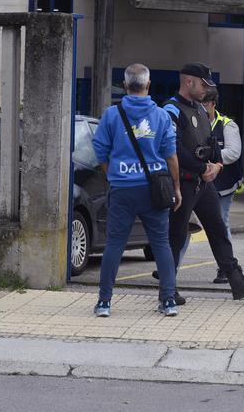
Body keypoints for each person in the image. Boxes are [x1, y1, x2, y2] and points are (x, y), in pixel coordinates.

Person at [162, 62, 244, 305]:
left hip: (203, 183)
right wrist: (202, 168)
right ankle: (167, 288)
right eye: (203, 84)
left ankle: (236, 280)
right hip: (184, 183)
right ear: (188, 82)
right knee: (176, 236)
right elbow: (174, 149)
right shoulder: (170, 110)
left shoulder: (199, 109)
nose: (206, 90)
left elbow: (211, 143)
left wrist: (217, 165)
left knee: (218, 231)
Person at [92, 63, 182, 317]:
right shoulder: (162, 116)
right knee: (161, 244)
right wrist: (176, 187)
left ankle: (104, 302)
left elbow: (99, 148)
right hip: (154, 188)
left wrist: (112, 174)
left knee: (115, 245)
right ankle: (168, 301)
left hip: (122, 189)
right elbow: (171, 156)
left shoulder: (112, 114)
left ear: (125, 85)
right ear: (148, 85)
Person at [201, 87, 244, 284]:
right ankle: (171, 267)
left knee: (221, 224)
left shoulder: (227, 125)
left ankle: (225, 269)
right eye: (199, 103)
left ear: (213, 104)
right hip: (201, 180)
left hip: (224, 184)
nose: (201, 107)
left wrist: (212, 159)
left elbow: (234, 152)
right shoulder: (196, 123)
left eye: (205, 104)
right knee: (185, 224)